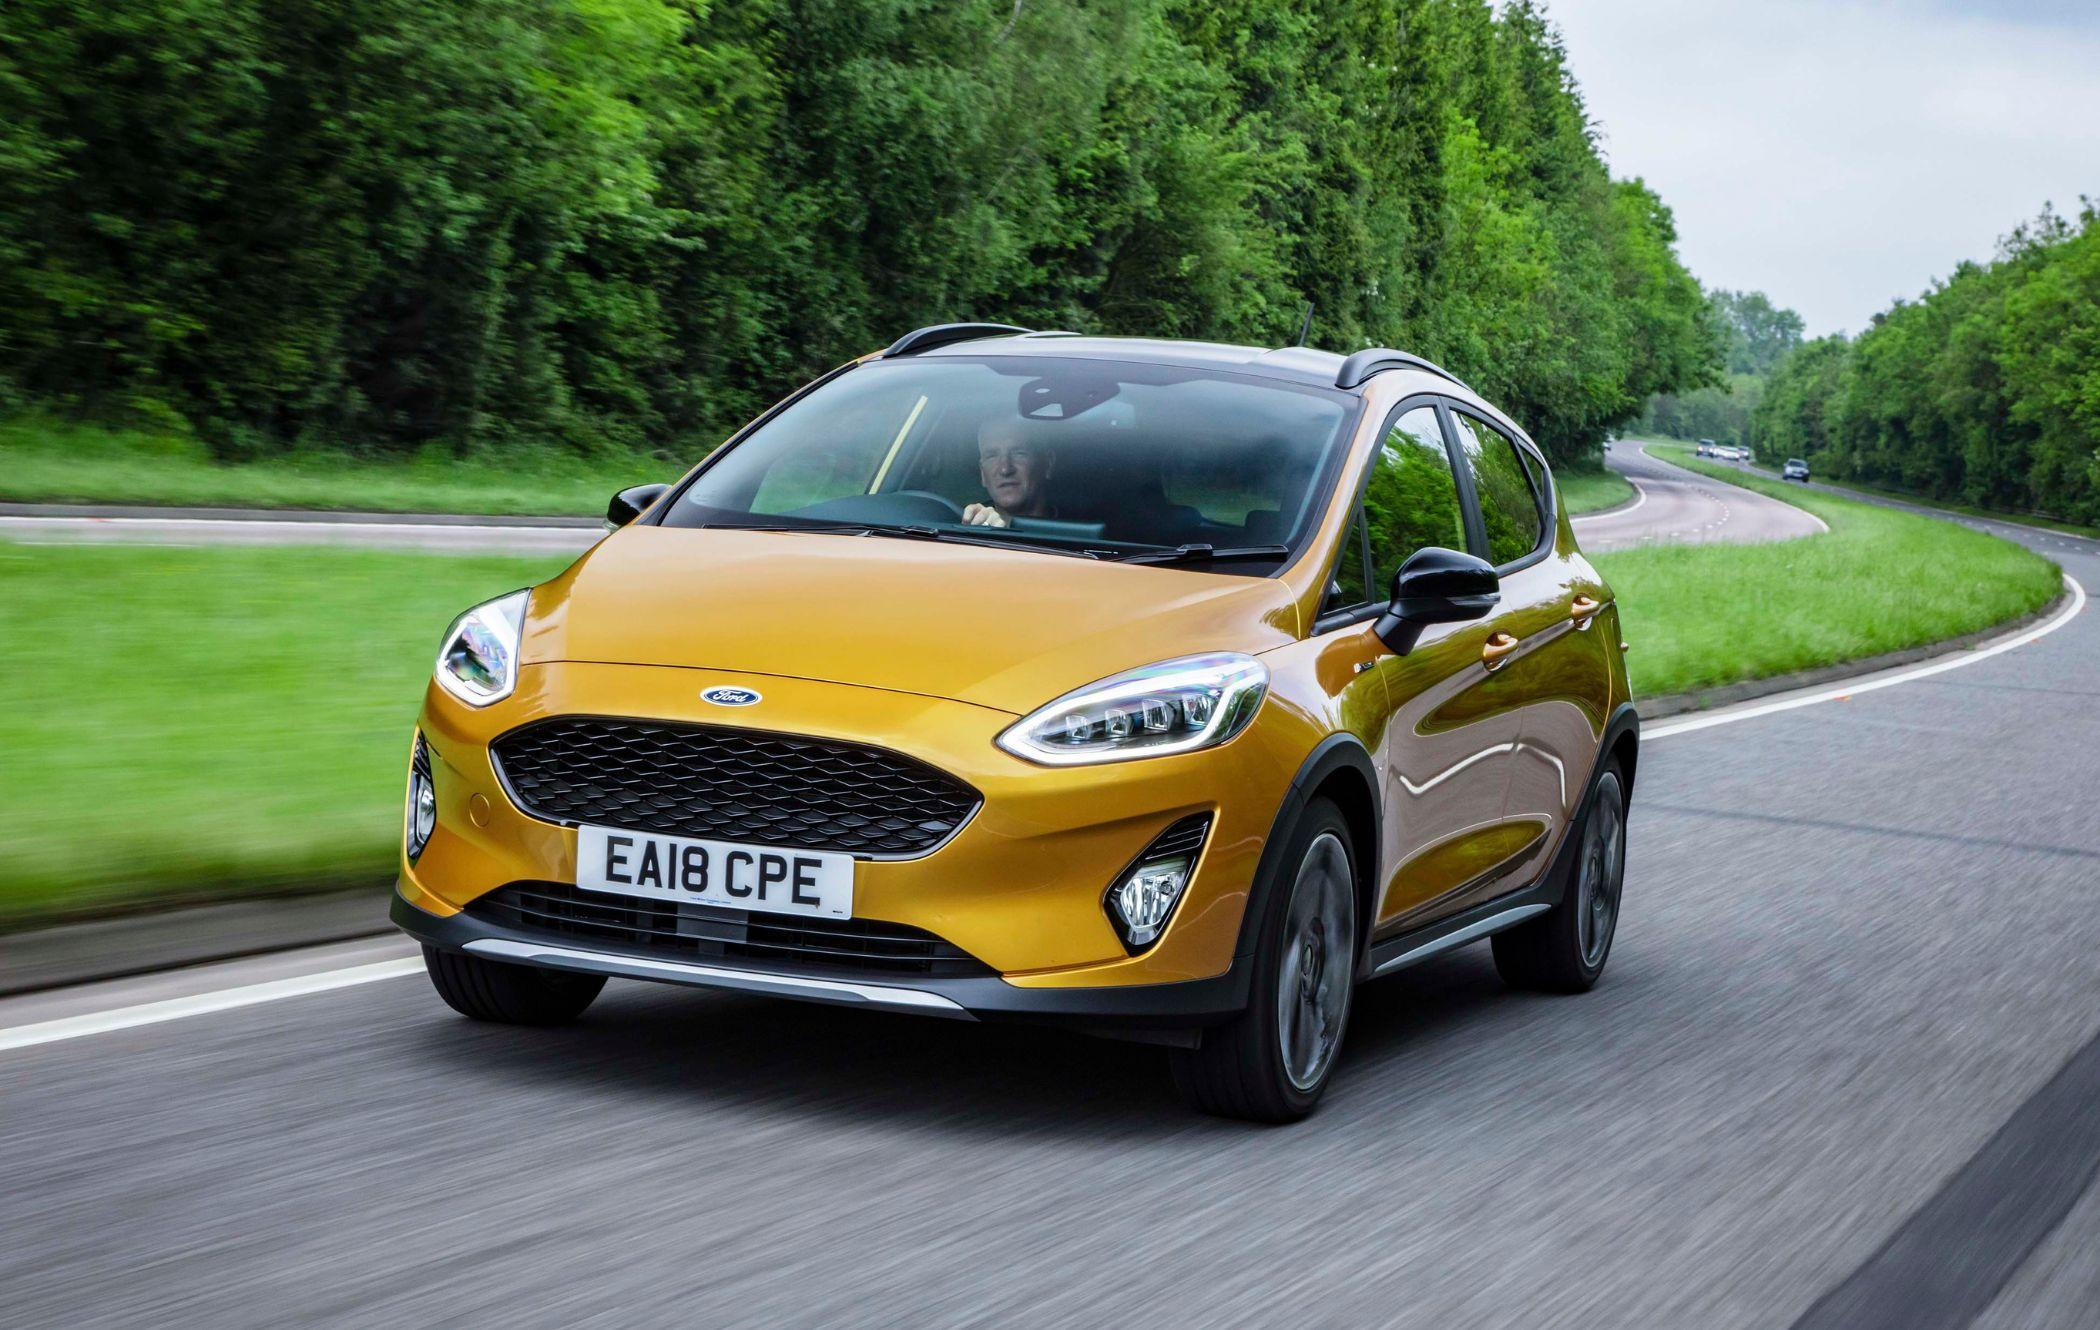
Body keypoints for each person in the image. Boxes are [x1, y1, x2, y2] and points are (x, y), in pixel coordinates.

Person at [963, 419, 1055, 527]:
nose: (1005, 469)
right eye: (992, 456)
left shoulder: (1076, 532)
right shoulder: (962, 528)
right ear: (983, 473)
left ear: (1048, 464)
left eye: (1019, 453)